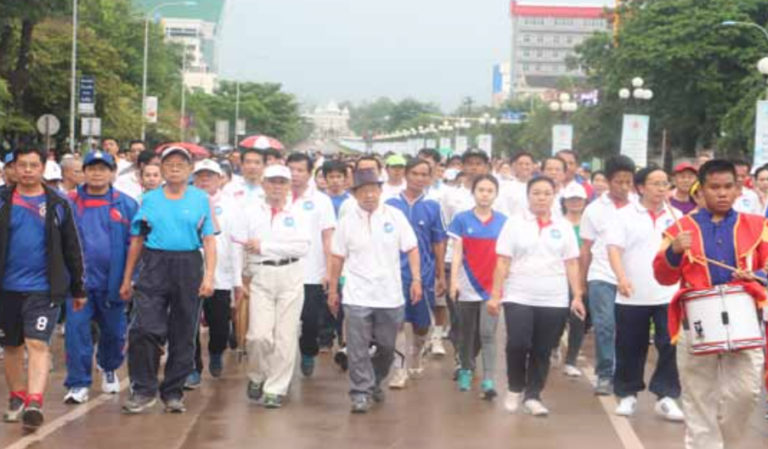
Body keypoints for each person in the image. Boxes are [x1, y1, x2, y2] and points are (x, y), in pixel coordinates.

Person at [653, 159, 768, 449]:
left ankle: (722, 442)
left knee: (746, 394)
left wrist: (756, 275)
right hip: (698, 322)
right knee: (698, 399)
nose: (722, 193)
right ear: (701, 191)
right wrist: (675, 252)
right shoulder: (680, 230)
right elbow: (663, 276)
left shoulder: (758, 226)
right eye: (714, 187)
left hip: (744, 320)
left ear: (738, 189)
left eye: (728, 187)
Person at [119, 146, 216, 414]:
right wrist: (127, 278)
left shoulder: (201, 199)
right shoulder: (150, 199)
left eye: (180, 163)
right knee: (144, 328)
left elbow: (209, 239)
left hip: (188, 265)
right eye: (169, 163)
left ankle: (173, 392)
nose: (174, 167)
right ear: (161, 168)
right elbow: (137, 239)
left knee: (184, 332)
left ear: (189, 169)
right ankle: (143, 389)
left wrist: (209, 276)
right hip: (155, 264)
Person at [0, 147, 86, 431]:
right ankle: (17, 397)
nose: (27, 170)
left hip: (44, 288)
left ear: (42, 168)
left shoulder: (58, 204)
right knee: (12, 346)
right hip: (6, 288)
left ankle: (35, 401)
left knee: (37, 343)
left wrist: (77, 287)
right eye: (21, 165)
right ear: (13, 169)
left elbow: (72, 247)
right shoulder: (2, 200)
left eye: (33, 165)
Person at [488, 177, 585, 416]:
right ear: (528, 196)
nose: (541, 197)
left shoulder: (562, 226)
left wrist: (577, 295)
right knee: (517, 343)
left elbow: (572, 262)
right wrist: (495, 294)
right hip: (518, 293)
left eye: (547, 193)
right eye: (536, 193)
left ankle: (533, 395)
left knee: (542, 348)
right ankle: (514, 386)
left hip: (553, 297)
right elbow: (503, 260)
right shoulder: (514, 223)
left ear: (554, 197)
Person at [328, 168, 420, 413]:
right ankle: (360, 392)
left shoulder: (395, 216)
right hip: (357, 294)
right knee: (357, 347)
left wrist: (416, 279)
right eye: (363, 191)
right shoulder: (347, 221)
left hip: (389, 294)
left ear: (380, 191)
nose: (369, 195)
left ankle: (375, 380)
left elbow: (411, 248)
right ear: (355, 194)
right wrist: (333, 289)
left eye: (373, 189)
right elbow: (337, 256)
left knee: (387, 347)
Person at [606, 166, 683, 421]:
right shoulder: (624, 215)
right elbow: (614, 249)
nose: (662, 188)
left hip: (668, 293)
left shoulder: (678, 216)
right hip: (633, 293)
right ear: (640, 187)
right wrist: (622, 278)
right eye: (656, 183)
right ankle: (628, 394)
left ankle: (666, 395)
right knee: (630, 345)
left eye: (665, 183)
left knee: (669, 344)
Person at [63, 151, 138, 404]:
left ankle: (108, 368)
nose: (97, 173)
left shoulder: (126, 204)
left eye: (103, 168)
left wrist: (131, 278)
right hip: (78, 285)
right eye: (92, 168)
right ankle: (78, 383)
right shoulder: (68, 203)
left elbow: (135, 244)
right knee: (76, 333)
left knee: (114, 333)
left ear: (113, 172)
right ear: (83, 172)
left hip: (113, 283)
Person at [236, 164, 310, 409]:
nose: (277, 187)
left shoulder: (299, 213)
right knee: (258, 336)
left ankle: (275, 388)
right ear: (264, 184)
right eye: (272, 182)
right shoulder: (249, 211)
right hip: (261, 275)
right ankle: (257, 375)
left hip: (290, 275)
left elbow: (302, 247)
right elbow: (240, 245)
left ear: (289, 186)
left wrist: (265, 246)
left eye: (282, 182)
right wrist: (240, 280)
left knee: (285, 337)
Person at [385, 159, 447, 389]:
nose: (419, 178)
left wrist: (441, 274)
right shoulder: (389, 204)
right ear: (406, 175)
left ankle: (417, 351)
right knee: (397, 322)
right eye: (415, 173)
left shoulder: (433, 206)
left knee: (421, 324)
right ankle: (399, 370)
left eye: (424, 175)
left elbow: (439, 242)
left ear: (430, 178)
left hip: (424, 273)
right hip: (394, 272)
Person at [580, 155, 636, 395]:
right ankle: (604, 373)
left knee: (628, 327)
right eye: (618, 182)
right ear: (608, 181)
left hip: (632, 276)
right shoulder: (593, 210)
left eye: (628, 182)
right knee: (604, 325)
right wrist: (581, 283)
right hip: (601, 274)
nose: (624, 187)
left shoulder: (639, 207)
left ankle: (624, 372)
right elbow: (586, 248)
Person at [185, 159, 243, 389]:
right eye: (200, 176)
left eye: (210, 176)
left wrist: (237, 280)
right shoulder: (184, 200)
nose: (205, 180)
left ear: (220, 179)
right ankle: (193, 367)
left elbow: (236, 244)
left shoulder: (231, 206)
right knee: (188, 324)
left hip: (220, 275)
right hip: (189, 272)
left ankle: (217, 352)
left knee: (219, 325)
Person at [449, 174, 507, 398]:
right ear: (473, 193)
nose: (485, 194)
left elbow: (506, 256)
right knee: (466, 333)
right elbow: (456, 253)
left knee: (488, 333)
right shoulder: (461, 219)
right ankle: (465, 368)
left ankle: (489, 379)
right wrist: (454, 281)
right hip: (467, 285)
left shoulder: (503, 221)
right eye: (481, 189)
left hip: (492, 286)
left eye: (490, 190)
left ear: (496, 194)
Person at [285, 153, 336, 378]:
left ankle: (308, 352)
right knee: (283, 323)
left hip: (311, 272)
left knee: (310, 321)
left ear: (310, 174)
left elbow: (328, 236)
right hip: (282, 269)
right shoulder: (277, 196)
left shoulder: (321, 200)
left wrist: (328, 270)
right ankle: (282, 367)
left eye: (300, 170)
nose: (295, 175)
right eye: (291, 169)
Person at [558, 182, 588, 377]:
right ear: (565, 202)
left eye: (579, 199)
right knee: (557, 318)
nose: (575, 203)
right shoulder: (558, 223)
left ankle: (571, 360)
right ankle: (552, 346)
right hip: (559, 277)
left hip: (583, 277)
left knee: (578, 320)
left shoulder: (590, 223)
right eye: (571, 199)